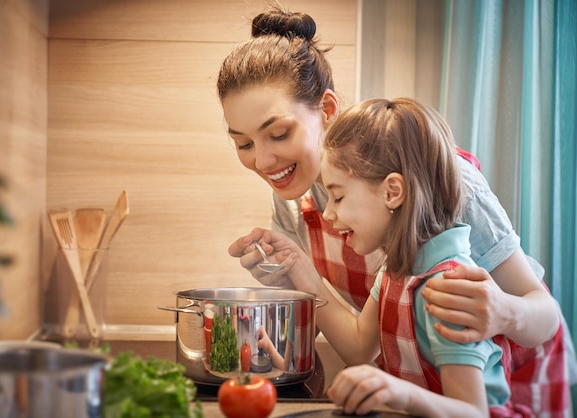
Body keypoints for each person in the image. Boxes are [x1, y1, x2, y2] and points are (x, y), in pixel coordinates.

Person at [217, 6, 573, 416]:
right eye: (243, 144)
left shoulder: (444, 180)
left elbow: (542, 314)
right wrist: (295, 269)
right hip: (424, 383)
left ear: (327, 110)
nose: (262, 161)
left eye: (278, 134)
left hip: (516, 371)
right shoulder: (292, 192)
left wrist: (502, 311)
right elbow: (360, 343)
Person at [318, 96, 528, 416]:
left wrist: (400, 393)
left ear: (392, 192)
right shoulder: (399, 269)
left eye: (338, 196)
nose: (328, 214)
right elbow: (362, 345)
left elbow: (473, 412)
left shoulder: (447, 289)